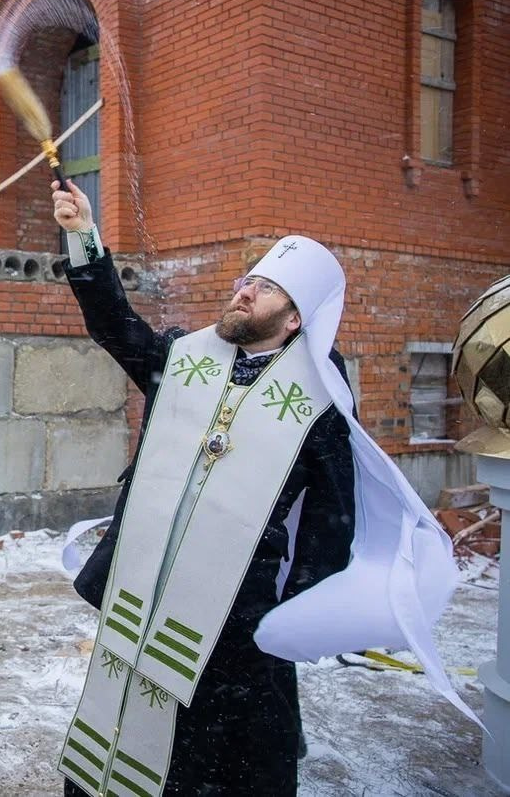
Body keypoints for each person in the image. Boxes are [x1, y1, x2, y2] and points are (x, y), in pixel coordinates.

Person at [49, 180, 470, 796]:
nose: (244, 289)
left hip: (239, 607)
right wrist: (84, 234)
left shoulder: (319, 404)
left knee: (228, 751)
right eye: (246, 280)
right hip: (142, 580)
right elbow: (114, 324)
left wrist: (293, 609)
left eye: (265, 287)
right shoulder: (185, 359)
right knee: (125, 707)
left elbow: (333, 517)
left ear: (295, 318)